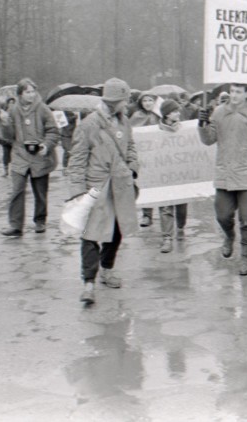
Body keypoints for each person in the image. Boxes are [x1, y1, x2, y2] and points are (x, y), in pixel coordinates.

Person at [67, 78, 139, 304]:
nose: (127, 104)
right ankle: (88, 282)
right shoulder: (88, 125)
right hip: (95, 187)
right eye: (124, 100)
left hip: (121, 186)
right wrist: (78, 192)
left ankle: (107, 269)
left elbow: (130, 147)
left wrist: (133, 167)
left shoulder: (124, 121)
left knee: (117, 230)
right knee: (90, 234)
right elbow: (77, 160)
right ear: (114, 101)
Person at [198, 83, 247, 276]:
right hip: (225, 172)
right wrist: (203, 124)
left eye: (238, 92)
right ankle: (229, 236)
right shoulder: (219, 113)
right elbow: (208, 139)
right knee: (222, 214)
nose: (234, 95)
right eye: (232, 91)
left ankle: (245, 256)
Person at [0, 78, 59, 236]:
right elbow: (8, 137)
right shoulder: (13, 110)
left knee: (40, 191)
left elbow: (53, 131)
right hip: (20, 155)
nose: (31, 95)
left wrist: (46, 145)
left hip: (40, 155)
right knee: (17, 190)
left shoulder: (43, 109)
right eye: (27, 92)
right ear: (20, 94)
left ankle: (40, 221)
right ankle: (16, 225)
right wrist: (5, 123)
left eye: (33, 91)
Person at [156, 99, 189, 254]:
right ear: (167, 114)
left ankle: (180, 227)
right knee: (165, 206)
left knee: (181, 206)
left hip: (181, 174)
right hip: (164, 175)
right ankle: (167, 238)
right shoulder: (155, 131)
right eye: (175, 111)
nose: (178, 113)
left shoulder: (185, 129)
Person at [129, 91, 160, 227]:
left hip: (159, 155)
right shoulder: (136, 116)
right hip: (144, 157)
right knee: (145, 184)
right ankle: (147, 215)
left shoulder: (160, 115)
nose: (147, 103)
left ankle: (165, 211)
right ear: (141, 103)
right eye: (145, 101)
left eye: (150, 100)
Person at [0, 97, 16, 177]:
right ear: (7, 104)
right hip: (5, 136)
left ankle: (15, 170)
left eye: (13, 103)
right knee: (6, 154)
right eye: (10, 103)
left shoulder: (17, 112)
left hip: (14, 136)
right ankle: (6, 170)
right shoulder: (3, 112)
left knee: (15, 154)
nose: (11, 104)